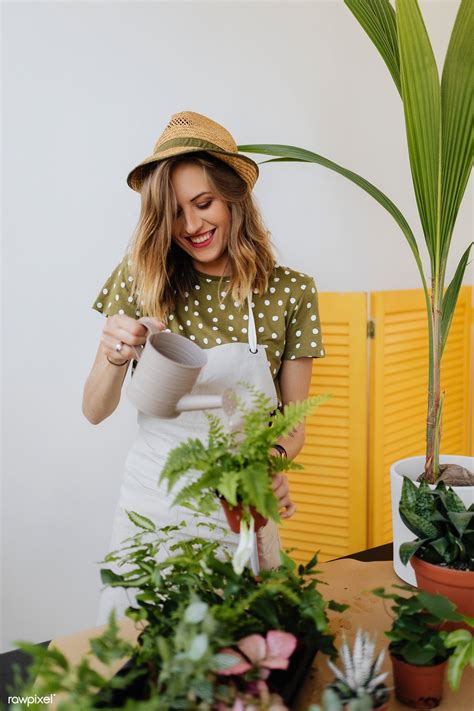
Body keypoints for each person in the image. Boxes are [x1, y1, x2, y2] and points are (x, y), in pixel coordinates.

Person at [83, 111, 325, 625]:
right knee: (136, 654)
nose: (191, 227)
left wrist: (271, 463)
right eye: (174, 212)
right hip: (153, 502)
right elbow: (94, 410)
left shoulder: (290, 292)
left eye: (204, 203)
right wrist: (112, 355)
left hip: (237, 502)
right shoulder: (141, 277)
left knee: (239, 651)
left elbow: (293, 422)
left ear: (235, 197)